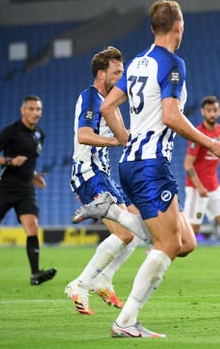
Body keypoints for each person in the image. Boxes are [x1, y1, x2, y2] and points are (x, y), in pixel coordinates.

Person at [96, 0, 220, 338]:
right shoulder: (171, 62)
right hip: (151, 166)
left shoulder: (138, 62)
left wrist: (127, 138)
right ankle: (126, 322)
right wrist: (210, 143)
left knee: (185, 242)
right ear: (178, 26)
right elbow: (171, 115)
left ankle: (121, 217)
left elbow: (109, 105)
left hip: (134, 163)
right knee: (168, 244)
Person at [65, 46, 146, 315]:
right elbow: (84, 135)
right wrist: (113, 140)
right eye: (117, 71)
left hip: (104, 175)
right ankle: (80, 284)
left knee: (134, 231)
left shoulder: (112, 103)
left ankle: (104, 277)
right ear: (102, 74)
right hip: (89, 174)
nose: (121, 76)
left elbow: (124, 137)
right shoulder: (90, 97)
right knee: (125, 232)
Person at [0, 95, 56, 285]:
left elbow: (30, 162)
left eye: (38, 109)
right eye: (31, 109)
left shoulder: (40, 135)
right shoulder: (10, 132)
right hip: (5, 187)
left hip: (26, 189)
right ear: (23, 110)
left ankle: (35, 274)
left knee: (32, 227)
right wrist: (10, 161)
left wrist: (34, 175)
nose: (35, 113)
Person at [183, 95, 220, 278]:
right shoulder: (197, 134)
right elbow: (188, 165)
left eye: (215, 110)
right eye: (208, 110)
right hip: (197, 189)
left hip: (214, 186)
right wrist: (199, 187)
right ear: (203, 112)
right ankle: (161, 246)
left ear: (219, 111)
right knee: (192, 232)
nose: (212, 113)